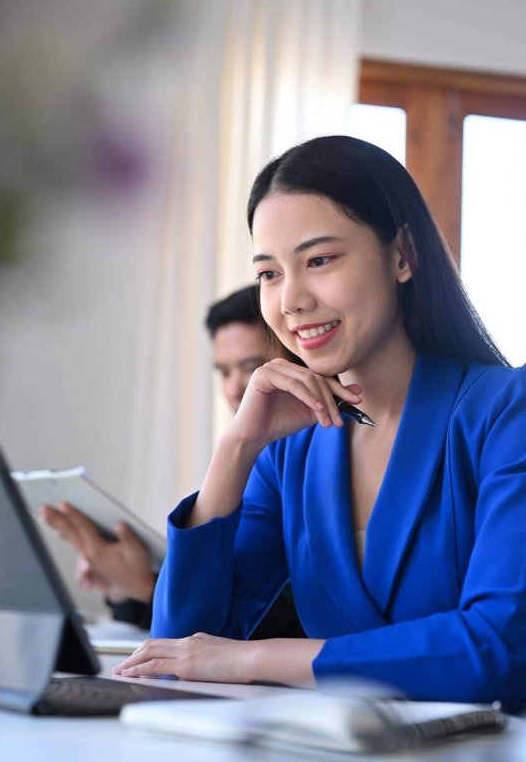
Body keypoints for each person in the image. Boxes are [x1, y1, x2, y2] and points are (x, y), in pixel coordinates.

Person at [112, 135, 526, 710]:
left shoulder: (507, 410)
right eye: (269, 274)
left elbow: (497, 647)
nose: (291, 301)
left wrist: (256, 659)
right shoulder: (292, 448)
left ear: (401, 254)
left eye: (319, 260)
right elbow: (181, 646)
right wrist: (236, 449)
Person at [41, 285, 306, 639]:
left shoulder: (307, 454)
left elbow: (288, 615)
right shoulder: (250, 458)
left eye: (252, 367)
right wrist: (128, 588)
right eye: (224, 372)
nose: (234, 388)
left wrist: (149, 587)